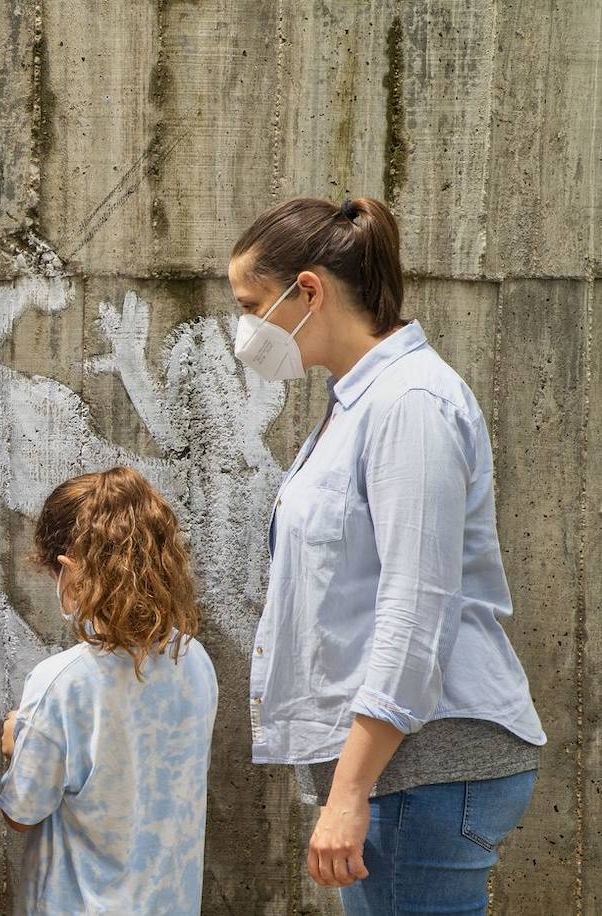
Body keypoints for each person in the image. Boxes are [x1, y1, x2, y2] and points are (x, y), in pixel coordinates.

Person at [230, 197, 545, 914]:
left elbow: (416, 604)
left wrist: (349, 792)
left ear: (307, 290)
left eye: (251, 304)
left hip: (426, 767)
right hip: (402, 771)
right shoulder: (359, 401)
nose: (245, 329)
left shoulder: (410, 403)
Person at [0, 467, 218, 915]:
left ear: (69, 568)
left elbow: (20, 813)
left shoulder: (64, 680)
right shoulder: (194, 660)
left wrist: (17, 740)